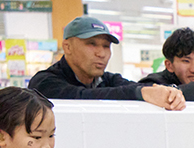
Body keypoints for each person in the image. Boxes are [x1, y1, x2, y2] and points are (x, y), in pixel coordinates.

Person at [29, 16, 185, 111]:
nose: (101, 53)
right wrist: (140, 93)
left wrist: (167, 93)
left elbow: (131, 87)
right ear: (67, 47)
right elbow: (80, 97)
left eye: (106, 46)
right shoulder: (45, 82)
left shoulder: (109, 80)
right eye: (92, 44)